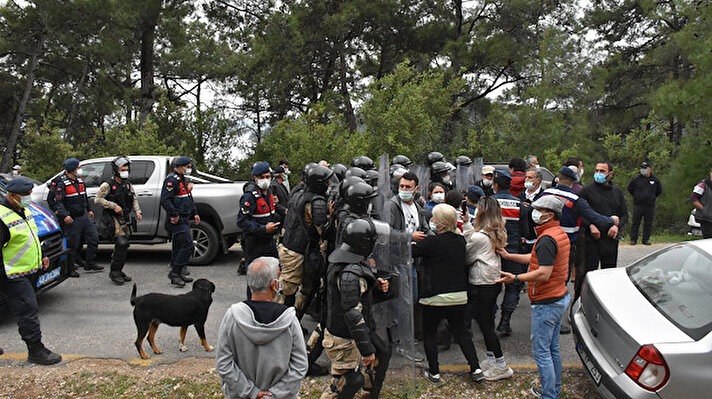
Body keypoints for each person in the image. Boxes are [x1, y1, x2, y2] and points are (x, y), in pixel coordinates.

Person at [496, 195, 570, 399]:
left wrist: (516, 277)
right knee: (552, 348)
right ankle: (553, 389)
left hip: (547, 302)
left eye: (539, 210)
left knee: (542, 352)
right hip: (559, 297)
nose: (534, 213)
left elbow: (543, 272)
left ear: (550, 214)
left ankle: (549, 394)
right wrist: (510, 256)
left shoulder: (547, 238)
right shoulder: (556, 233)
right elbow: (536, 258)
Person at [216, 257, 308, 399]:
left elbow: (224, 364)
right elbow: (300, 365)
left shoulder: (233, 316)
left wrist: (251, 392)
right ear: (273, 285)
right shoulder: (289, 320)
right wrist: (274, 394)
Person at [412, 204, 484, 383]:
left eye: (435, 219)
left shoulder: (430, 242)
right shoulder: (460, 241)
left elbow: (410, 252)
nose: (432, 222)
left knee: (429, 333)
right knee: (461, 332)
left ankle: (434, 372)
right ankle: (475, 367)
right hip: (458, 295)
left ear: (442, 223)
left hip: (433, 296)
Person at [322, 219, 391, 399]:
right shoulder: (349, 274)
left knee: (382, 352)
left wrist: (375, 285)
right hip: (343, 337)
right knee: (348, 382)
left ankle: (370, 395)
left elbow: (358, 290)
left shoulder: (349, 259)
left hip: (355, 331)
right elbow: (352, 313)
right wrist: (367, 350)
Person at [0, 177, 62, 365]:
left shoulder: (24, 210)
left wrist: (42, 255)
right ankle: (36, 351)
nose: (29, 197)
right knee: (28, 310)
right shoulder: (2, 217)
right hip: (12, 275)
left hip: (27, 270)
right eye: (25, 195)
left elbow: (31, 236)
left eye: (29, 193)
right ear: (11, 196)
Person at [462, 197, 514, 381]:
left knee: (485, 325)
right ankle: (491, 358)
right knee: (487, 322)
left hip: (482, 282)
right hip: (493, 281)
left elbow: (467, 255)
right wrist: (468, 224)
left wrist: (466, 227)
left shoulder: (478, 237)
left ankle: (501, 365)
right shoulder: (497, 230)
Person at [274, 165, 331, 317]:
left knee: (307, 287)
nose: (329, 184)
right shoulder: (317, 202)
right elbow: (324, 231)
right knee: (287, 292)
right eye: (327, 181)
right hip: (297, 252)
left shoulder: (298, 194)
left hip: (289, 247)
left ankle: (292, 323)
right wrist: (331, 216)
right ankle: (276, 325)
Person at [383, 171, 428, 361]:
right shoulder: (391, 205)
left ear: (416, 189)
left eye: (408, 187)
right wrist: (409, 237)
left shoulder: (416, 206)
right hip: (397, 260)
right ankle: (404, 344)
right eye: (401, 186)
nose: (404, 190)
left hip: (412, 261)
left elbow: (424, 228)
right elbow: (386, 232)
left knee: (413, 299)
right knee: (405, 303)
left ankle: (402, 335)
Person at [47, 157, 102, 277]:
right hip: (72, 218)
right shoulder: (63, 183)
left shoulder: (80, 182)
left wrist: (89, 209)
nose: (80, 169)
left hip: (83, 216)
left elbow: (84, 197)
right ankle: (70, 269)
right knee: (73, 244)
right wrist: (64, 215)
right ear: (72, 169)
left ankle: (90, 263)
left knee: (94, 238)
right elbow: (58, 202)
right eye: (78, 167)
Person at [94, 156, 143, 285]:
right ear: (116, 170)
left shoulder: (127, 184)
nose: (125, 171)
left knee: (125, 244)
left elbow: (134, 199)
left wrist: (137, 211)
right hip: (113, 218)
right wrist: (113, 206)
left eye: (127, 169)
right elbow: (97, 199)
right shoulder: (108, 185)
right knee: (121, 242)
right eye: (122, 169)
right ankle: (114, 272)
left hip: (125, 218)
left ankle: (119, 270)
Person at [491, 170, 526, 337]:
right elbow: (525, 230)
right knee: (512, 287)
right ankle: (505, 323)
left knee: (491, 286)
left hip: (491, 251)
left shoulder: (488, 202)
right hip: (512, 251)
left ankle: (488, 321)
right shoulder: (519, 204)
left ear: (495, 185)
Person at [579, 162, 627, 280]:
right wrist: (590, 226)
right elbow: (580, 213)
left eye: (602, 171)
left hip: (610, 239)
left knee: (609, 275)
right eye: (597, 171)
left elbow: (624, 215)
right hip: (592, 239)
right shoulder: (586, 191)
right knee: (588, 274)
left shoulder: (617, 192)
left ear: (610, 174)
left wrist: (617, 226)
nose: (598, 173)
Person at [160, 156, 199, 288]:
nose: (189, 170)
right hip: (177, 219)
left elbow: (188, 198)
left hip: (185, 217)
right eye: (187, 167)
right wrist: (174, 214)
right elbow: (165, 200)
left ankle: (179, 271)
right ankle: (175, 273)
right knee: (188, 245)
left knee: (178, 246)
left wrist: (195, 213)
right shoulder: (172, 181)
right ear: (179, 167)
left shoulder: (182, 180)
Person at [627, 162, 662, 245]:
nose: (643, 170)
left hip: (650, 206)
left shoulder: (655, 180)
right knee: (635, 222)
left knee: (648, 223)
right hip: (638, 205)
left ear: (649, 169)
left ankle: (646, 239)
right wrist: (636, 196)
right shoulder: (636, 179)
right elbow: (630, 188)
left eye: (645, 168)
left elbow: (659, 191)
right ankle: (633, 239)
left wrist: (651, 197)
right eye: (642, 168)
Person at [691, 167, 712, 238]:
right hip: (705, 218)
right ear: (710, 173)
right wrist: (704, 209)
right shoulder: (703, 185)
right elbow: (693, 199)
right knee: (708, 240)